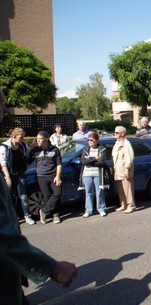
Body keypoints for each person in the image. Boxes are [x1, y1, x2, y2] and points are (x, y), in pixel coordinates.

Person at [0, 87, 77, 305]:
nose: (5, 108)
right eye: (1, 101)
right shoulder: (15, 149)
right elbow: (3, 236)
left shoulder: (54, 149)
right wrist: (51, 267)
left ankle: (48, 212)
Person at [0, 128, 35, 224]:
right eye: (21, 137)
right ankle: (13, 217)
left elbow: (28, 152)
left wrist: (33, 146)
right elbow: (3, 163)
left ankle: (27, 215)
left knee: (23, 195)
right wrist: (7, 177)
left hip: (21, 173)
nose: (23, 139)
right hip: (10, 174)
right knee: (12, 196)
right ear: (14, 136)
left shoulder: (22, 145)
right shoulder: (5, 147)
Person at [28, 131, 63, 224]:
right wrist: (30, 149)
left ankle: (44, 210)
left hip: (53, 175)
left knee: (57, 193)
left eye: (40, 139)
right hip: (41, 176)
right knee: (47, 196)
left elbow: (59, 164)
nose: (38, 141)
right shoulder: (35, 150)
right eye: (37, 139)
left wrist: (58, 176)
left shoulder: (54, 149)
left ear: (46, 139)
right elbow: (27, 161)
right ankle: (55, 215)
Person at [78, 133, 108, 218]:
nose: (89, 142)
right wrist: (94, 158)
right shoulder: (85, 149)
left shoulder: (101, 149)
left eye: (91, 140)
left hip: (98, 173)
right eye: (88, 140)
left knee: (99, 192)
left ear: (97, 140)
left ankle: (101, 209)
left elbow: (102, 161)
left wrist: (89, 160)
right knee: (88, 192)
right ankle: (88, 210)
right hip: (87, 174)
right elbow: (83, 161)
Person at [112, 126, 136, 213]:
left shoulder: (126, 144)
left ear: (122, 134)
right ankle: (123, 204)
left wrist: (127, 169)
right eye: (114, 132)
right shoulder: (117, 143)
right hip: (118, 169)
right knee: (120, 188)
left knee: (127, 188)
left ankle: (131, 205)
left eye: (117, 133)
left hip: (124, 169)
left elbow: (129, 158)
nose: (115, 134)